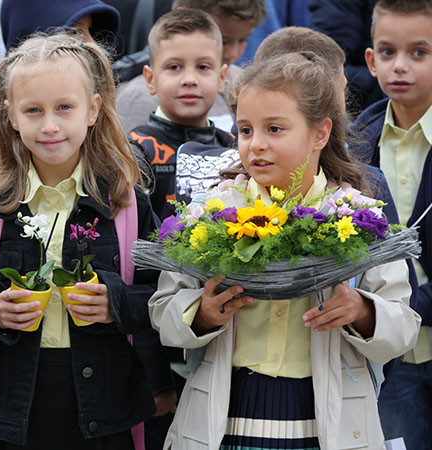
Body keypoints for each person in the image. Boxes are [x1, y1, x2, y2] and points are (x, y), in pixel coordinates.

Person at [149, 52, 420, 450]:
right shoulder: (211, 211)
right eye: (244, 130)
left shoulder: (357, 215)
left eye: (274, 128)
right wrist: (201, 314)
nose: (256, 144)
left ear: (320, 133)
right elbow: (163, 311)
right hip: (222, 422)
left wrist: (361, 311)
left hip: (328, 428)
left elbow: (403, 328)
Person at [0, 33, 159, 449]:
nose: (50, 125)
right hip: (7, 411)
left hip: (102, 409)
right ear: (10, 116)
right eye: (33, 111)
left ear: (93, 109)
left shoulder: (126, 205)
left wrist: (115, 304)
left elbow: (161, 297)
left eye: (64, 107)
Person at [348, 1, 432, 447]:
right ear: (370, 60)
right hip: (389, 355)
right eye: (387, 52)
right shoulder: (353, 145)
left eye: (420, 52)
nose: (400, 66)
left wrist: (413, 305)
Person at [128, 8, 236, 219]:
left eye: (203, 67)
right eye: (175, 67)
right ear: (151, 79)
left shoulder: (233, 148)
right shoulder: (135, 150)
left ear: (222, 77)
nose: (189, 79)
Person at [116, 0, 266, 133]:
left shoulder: (241, 81)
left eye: (242, 40)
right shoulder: (138, 98)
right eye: (223, 40)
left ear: (221, 77)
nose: (233, 54)